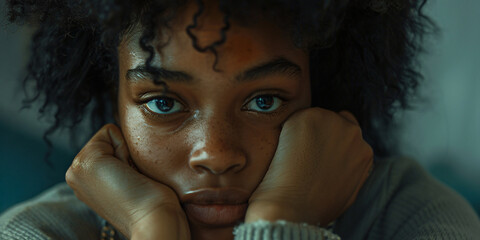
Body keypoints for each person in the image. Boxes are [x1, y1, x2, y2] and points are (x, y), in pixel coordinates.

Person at [1, 0, 479, 239]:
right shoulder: (36, 232)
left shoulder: (416, 217)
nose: (216, 154)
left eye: (265, 101)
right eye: (164, 103)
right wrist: (153, 228)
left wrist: (283, 215)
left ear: (323, 89)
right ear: (113, 101)